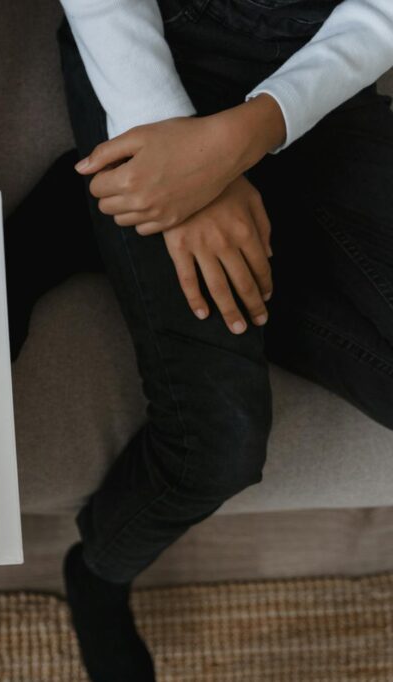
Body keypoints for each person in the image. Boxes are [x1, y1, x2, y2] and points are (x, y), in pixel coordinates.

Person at [55, 0, 393, 679]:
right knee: (218, 445)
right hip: (150, 58)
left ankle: (88, 226)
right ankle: (95, 572)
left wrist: (242, 140)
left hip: (321, 69)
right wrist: (180, 160)